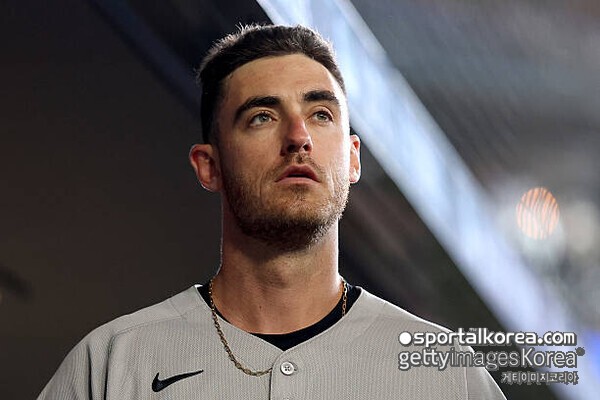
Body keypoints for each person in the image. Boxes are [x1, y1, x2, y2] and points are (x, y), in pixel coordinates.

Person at [38, 24, 506, 399]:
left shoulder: (449, 379)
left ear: (352, 158)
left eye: (321, 114)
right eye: (262, 116)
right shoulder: (113, 363)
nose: (298, 136)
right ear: (209, 166)